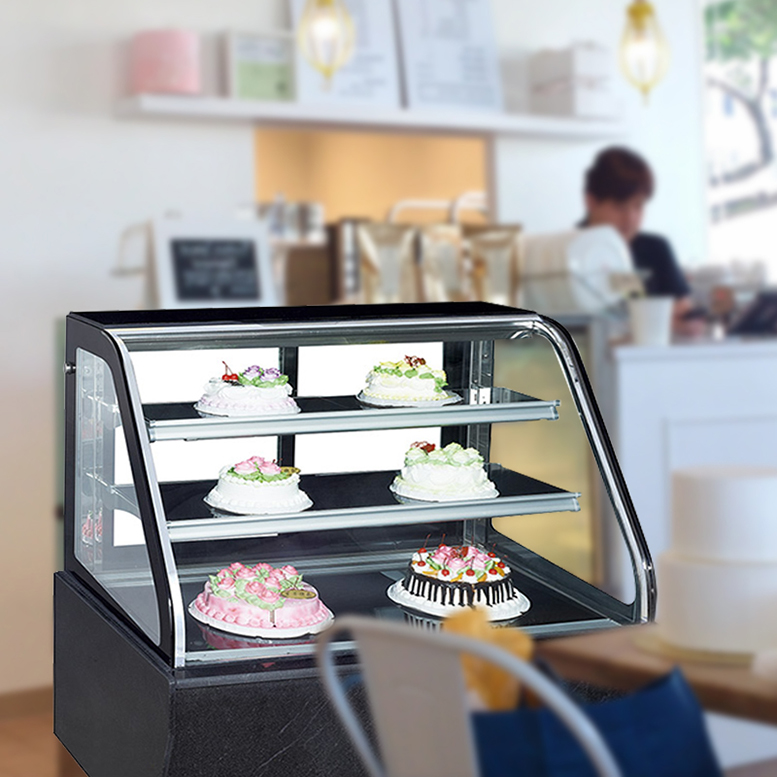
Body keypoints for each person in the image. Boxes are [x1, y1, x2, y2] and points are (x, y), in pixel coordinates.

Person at [582, 147, 698, 332]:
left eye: (638, 206)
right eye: (619, 206)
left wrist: (684, 322)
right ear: (591, 202)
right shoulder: (568, 254)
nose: (630, 218)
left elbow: (685, 315)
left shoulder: (656, 249)